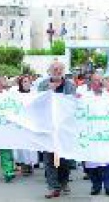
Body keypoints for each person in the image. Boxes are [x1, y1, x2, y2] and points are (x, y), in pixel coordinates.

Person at [37, 61, 77, 199]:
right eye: (55, 69)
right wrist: (49, 91)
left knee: (63, 160)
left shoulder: (70, 86)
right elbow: (38, 103)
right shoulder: (43, 85)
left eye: (60, 69)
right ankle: (53, 187)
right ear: (50, 71)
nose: (58, 71)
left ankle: (64, 182)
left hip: (64, 129)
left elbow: (72, 105)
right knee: (49, 160)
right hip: (48, 127)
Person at [12, 76, 39, 176]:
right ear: (21, 83)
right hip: (20, 124)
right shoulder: (16, 94)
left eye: (28, 82)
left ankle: (30, 165)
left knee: (30, 146)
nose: (26, 83)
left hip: (31, 123)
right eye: (24, 82)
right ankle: (23, 166)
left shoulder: (34, 94)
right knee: (22, 147)